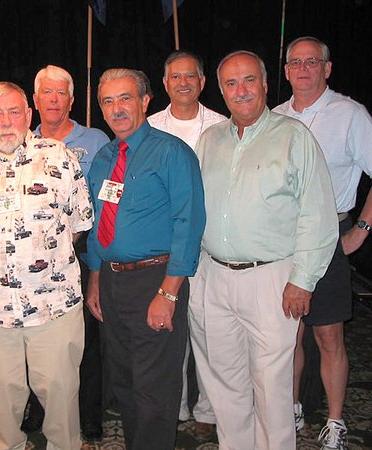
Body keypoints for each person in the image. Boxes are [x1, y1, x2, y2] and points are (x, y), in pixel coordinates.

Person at [191, 50, 338, 450]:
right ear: (221, 90)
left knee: (272, 386)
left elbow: (318, 215)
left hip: (273, 278)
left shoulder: (293, 136)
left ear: (266, 84)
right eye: (231, 83)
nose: (241, 91)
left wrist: (302, 281)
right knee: (225, 382)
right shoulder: (210, 139)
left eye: (249, 80)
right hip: (213, 277)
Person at [0, 81, 93, 450]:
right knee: (1, 409)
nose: (6, 121)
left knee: (62, 405)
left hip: (54, 307)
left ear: (29, 115)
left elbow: (80, 225)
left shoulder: (60, 157)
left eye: (14, 111)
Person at [85, 68, 206, 450]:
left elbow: (189, 223)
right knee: (124, 382)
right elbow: (94, 224)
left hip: (155, 282)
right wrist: (95, 280)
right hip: (110, 281)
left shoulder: (171, 152)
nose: (117, 109)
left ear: (144, 101)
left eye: (125, 98)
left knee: (155, 388)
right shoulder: (103, 158)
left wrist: (169, 294)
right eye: (108, 101)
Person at [273, 36, 372, 450]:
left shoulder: (351, 114)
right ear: (286, 71)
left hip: (330, 236)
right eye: (295, 63)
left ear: (327, 69)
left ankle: (334, 422)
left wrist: (360, 230)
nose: (303, 69)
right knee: (286, 337)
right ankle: (291, 409)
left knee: (328, 336)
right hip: (280, 240)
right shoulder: (273, 116)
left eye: (312, 62)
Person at [26, 64, 109, 442]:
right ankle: (42, 413)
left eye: (61, 93)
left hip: (84, 251)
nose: (54, 99)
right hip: (35, 261)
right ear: (36, 99)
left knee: (84, 340)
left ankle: (89, 415)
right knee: (39, 338)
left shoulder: (94, 140)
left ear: (72, 100)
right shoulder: (19, 141)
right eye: (48, 92)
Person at [147, 50, 225, 439]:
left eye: (190, 76)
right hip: (164, 248)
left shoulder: (223, 125)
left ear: (202, 81)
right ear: (164, 84)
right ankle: (175, 408)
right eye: (175, 77)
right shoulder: (148, 127)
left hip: (211, 247)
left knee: (207, 333)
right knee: (169, 331)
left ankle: (208, 411)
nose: (183, 83)